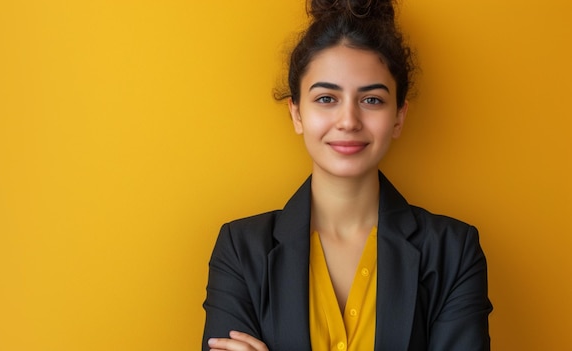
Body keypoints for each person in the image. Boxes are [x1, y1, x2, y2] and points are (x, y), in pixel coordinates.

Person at [202, 0, 493, 350]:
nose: (348, 121)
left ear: (399, 116)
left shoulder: (453, 252)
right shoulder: (240, 250)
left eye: (372, 100)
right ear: (296, 113)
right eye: (326, 98)